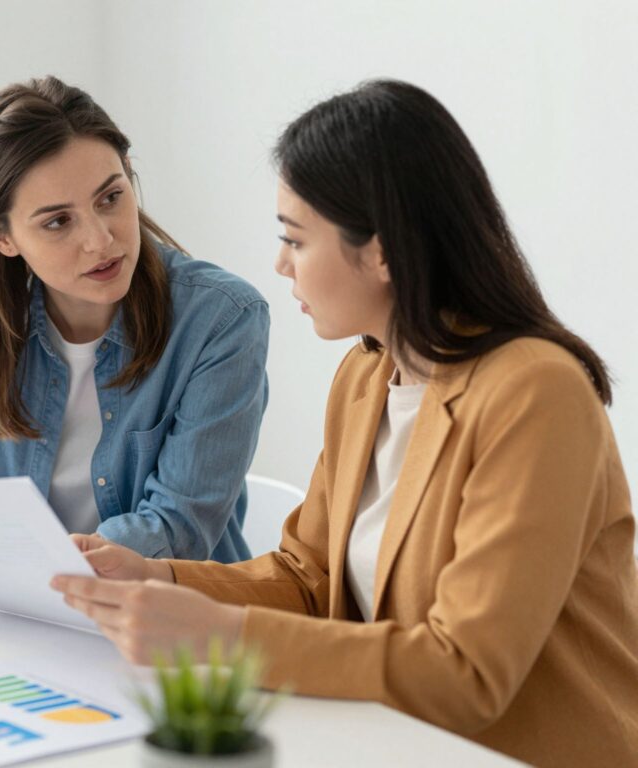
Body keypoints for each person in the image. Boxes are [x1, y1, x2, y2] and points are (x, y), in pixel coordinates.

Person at [52, 80, 638, 767]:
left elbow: (468, 673)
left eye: (295, 239)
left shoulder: (535, 393)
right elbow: (309, 576)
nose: (279, 264)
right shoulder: (366, 377)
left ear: (382, 252)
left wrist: (222, 635)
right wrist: (160, 580)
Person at [0, 76, 270, 599]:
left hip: (165, 625)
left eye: (111, 197)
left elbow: (178, 527)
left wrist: (26, 569)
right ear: (1, 235)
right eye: (58, 222)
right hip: (22, 616)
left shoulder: (221, 319)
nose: (100, 240)